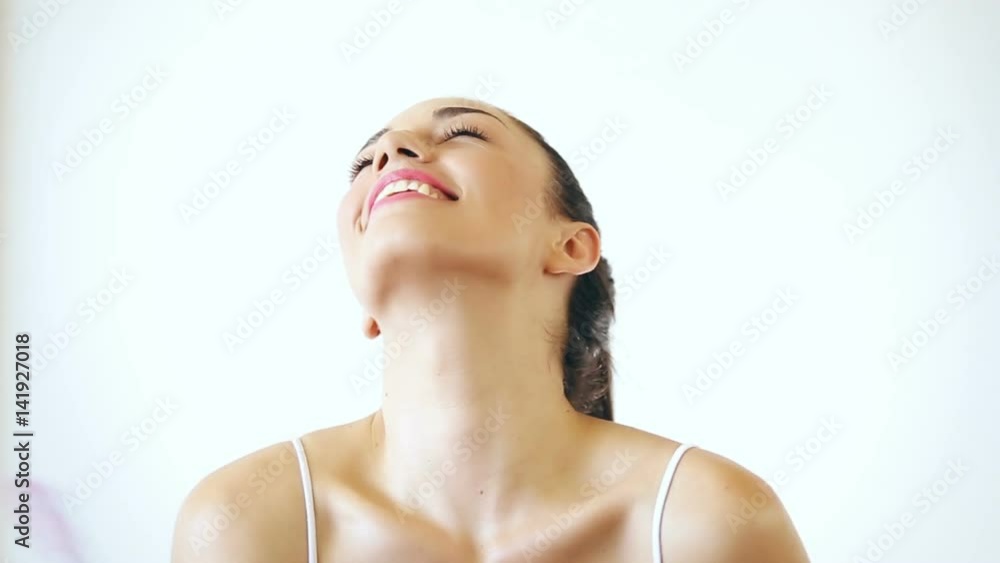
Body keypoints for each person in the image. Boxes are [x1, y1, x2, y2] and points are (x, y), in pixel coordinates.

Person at [170, 97, 811, 563]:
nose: (389, 152)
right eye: (365, 160)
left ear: (571, 246)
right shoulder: (248, 521)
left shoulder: (707, 522)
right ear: (365, 301)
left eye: (463, 133)